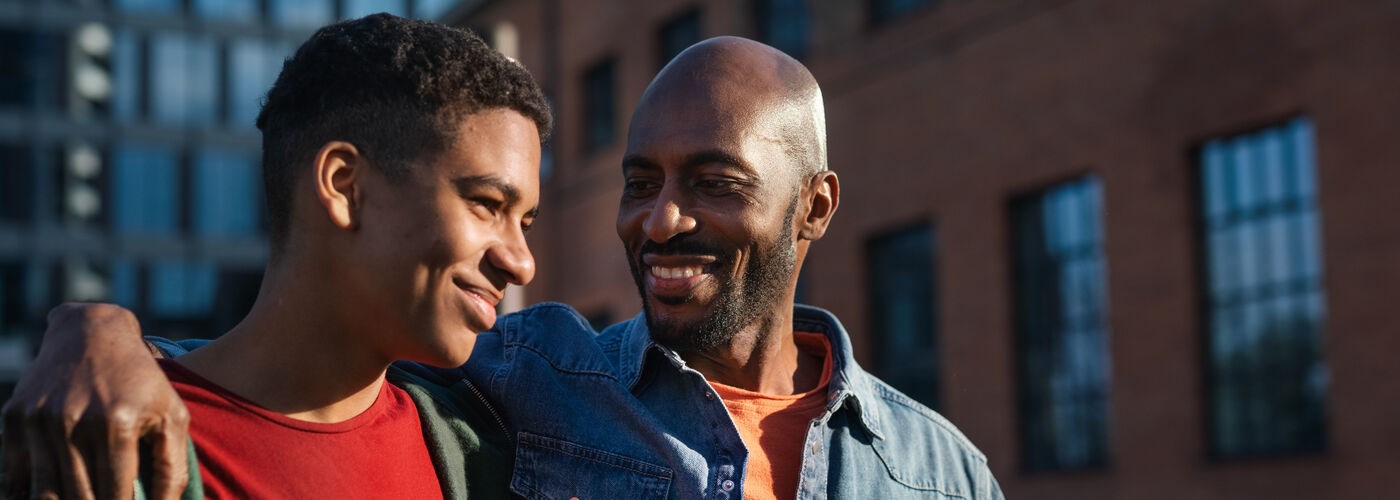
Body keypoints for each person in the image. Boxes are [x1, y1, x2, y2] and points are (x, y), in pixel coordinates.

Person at [3, 37, 1003, 499]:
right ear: (343, 184)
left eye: (712, 179)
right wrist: (96, 326)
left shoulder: (940, 472)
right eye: (638, 178)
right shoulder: (522, 387)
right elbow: (274, 374)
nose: (660, 219)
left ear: (814, 208)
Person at [1, 13, 551, 500]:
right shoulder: (103, 456)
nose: (521, 263)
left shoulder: (501, 450)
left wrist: (96, 324)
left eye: (525, 222)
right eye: (486, 204)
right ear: (344, 186)